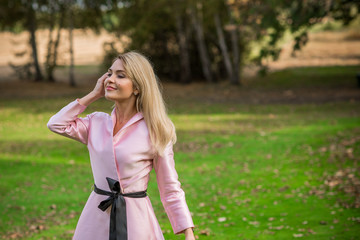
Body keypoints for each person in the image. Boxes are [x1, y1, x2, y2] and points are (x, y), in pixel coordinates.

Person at [47, 51, 195, 240]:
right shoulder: (96, 123)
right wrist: (93, 95)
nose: (110, 79)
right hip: (96, 216)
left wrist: (188, 232)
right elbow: (56, 124)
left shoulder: (155, 131)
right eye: (110, 73)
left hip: (137, 221)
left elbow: (170, 187)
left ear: (137, 88)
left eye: (121, 75)